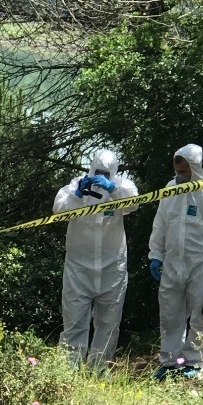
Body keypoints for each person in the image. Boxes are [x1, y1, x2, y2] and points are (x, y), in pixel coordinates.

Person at [148, 144, 203, 380]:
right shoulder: (170, 190)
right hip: (172, 263)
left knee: (201, 315)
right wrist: (155, 254)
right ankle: (170, 361)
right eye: (177, 170)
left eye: (184, 170)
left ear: (194, 167)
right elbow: (160, 224)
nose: (179, 174)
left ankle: (196, 362)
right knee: (170, 315)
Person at [53, 149, 139, 370]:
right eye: (98, 171)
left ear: (114, 172)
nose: (101, 176)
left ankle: (99, 368)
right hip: (78, 268)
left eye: (106, 173)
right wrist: (77, 195)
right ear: (91, 168)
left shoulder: (122, 186)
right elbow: (58, 210)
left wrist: (112, 189)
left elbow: (134, 202)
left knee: (109, 322)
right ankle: (69, 370)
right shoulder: (75, 185)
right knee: (74, 321)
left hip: (112, 267)